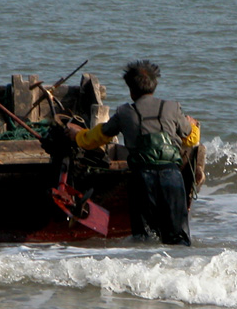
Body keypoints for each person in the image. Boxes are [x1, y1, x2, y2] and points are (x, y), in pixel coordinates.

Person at [66, 60, 200, 245]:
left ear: (130, 89)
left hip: (142, 179)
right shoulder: (172, 108)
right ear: (155, 85)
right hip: (172, 177)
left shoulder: (124, 113)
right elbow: (191, 139)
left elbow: (95, 139)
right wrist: (193, 125)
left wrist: (77, 135)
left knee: (143, 238)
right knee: (179, 238)